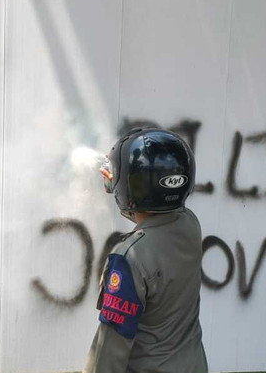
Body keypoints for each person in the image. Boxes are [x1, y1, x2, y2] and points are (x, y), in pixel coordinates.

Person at [83, 127, 208, 373]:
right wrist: (122, 184)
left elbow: (110, 349)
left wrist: (119, 186)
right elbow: (154, 221)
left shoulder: (128, 259)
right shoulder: (190, 224)